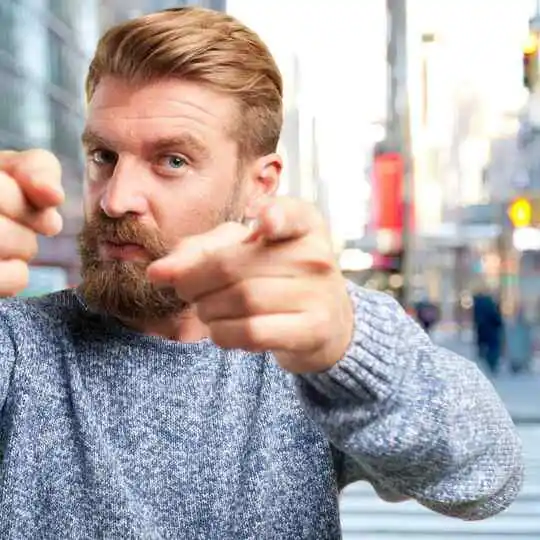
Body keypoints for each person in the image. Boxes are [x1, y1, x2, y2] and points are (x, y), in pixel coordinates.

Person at [0, 7, 522, 539]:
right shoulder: (18, 347)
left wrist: (351, 351)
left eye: (173, 160)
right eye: (103, 155)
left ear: (260, 184)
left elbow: (488, 477)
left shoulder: (308, 342)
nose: (115, 199)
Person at [472, 286, 504, 376]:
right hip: (492, 332)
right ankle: (492, 365)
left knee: (486, 348)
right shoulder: (490, 305)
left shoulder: (478, 306)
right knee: (493, 349)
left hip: (482, 330)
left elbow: (476, 320)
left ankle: (489, 363)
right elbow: (496, 319)